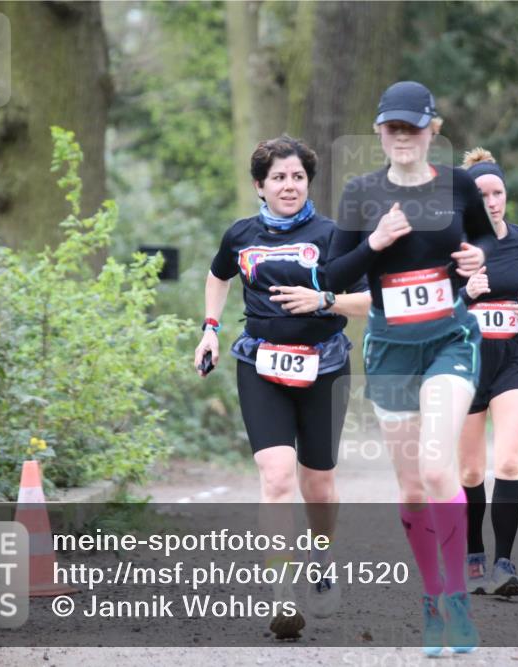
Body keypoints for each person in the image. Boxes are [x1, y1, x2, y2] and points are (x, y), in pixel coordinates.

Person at [324, 81, 493, 655]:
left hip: (450, 339)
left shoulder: (459, 185)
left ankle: (457, 603)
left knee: (438, 467)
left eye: (413, 126)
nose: (402, 136)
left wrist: (477, 260)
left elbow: (483, 247)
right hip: (391, 349)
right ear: (379, 132)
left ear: (433, 129)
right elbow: (333, 278)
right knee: (413, 485)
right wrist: (375, 242)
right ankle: (432, 599)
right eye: (392, 127)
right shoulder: (360, 193)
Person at [194, 135, 371, 637]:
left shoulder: (334, 235)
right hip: (260, 363)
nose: (289, 185)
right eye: (278, 178)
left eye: (297, 177)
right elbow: (217, 276)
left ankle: (321, 557)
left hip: (325, 366)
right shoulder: (240, 235)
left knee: (318, 483)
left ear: (307, 182)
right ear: (260, 185)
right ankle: (282, 595)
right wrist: (210, 327)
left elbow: (370, 301)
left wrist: (323, 300)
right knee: (275, 477)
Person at [457, 148, 518, 597]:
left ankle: (504, 564)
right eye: (483, 194)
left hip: (514, 358)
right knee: (471, 472)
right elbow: (428, 305)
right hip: (463, 361)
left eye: (498, 193)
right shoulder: (452, 245)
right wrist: (464, 293)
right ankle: (474, 552)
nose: (492, 201)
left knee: (509, 460)